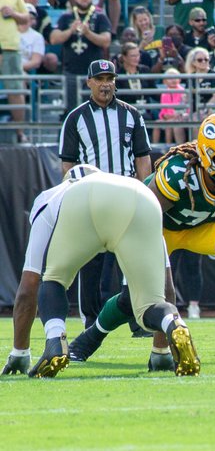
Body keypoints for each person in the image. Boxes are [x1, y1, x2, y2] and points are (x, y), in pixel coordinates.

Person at [68, 112, 215, 364]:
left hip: (204, 226)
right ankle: (89, 339)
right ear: (208, 156)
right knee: (132, 299)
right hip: (156, 227)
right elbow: (142, 218)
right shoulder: (178, 174)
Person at [7, 167, 200, 378]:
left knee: (53, 279)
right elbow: (166, 286)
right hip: (142, 196)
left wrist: (20, 352)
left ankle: (55, 340)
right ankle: (174, 323)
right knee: (149, 304)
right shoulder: (124, 186)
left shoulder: (51, 197)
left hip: (80, 201)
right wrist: (160, 352)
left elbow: (29, 286)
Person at [57, 59, 152, 329]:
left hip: (126, 196)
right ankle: (90, 321)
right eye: (99, 79)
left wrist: (146, 193)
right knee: (90, 264)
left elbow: (143, 158)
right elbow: (68, 164)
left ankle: (139, 319)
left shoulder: (131, 114)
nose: (105, 84)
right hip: (91, 197)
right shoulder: (75, 118)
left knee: (133, 261)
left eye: (109, 78)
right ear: (89, 82)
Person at [49, 0, 112, 114]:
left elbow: (106, 41)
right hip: (71, 71)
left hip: (94, 73)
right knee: (71, 110)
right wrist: (70, 30)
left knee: (95, 109)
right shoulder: (66, 17)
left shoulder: (100, 17)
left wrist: (88, 33)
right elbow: (54, 39)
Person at [0, 0, 29, 143]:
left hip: (10, 46)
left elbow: (26, 18)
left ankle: (20, 132)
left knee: (16, 89)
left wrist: (13, 13)